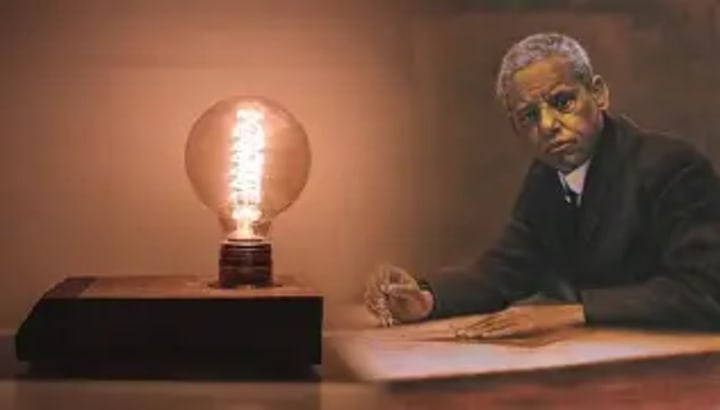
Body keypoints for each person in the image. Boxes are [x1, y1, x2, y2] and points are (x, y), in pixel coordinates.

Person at [365, 32, 720, 339]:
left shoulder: (672, 167)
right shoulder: (546, 177)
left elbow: (705, 291)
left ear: (598, 94)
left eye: (563, 102)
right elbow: (503, 270)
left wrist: (571, 313)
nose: (548, 125)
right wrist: (426, 299)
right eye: (529, 116)